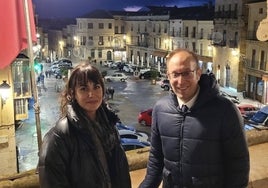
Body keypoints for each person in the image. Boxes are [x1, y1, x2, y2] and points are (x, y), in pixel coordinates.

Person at [139, 48, 250, 188]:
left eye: (186, 73)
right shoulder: (160, 109)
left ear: (198, 73)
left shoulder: (225, 111)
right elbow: (156, 159)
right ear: (168, 76)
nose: (180, 81)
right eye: (175, 74)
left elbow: (238, 166)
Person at [38, 62, 131, 188]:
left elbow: (122, 174)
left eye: (96, 87)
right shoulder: (59, 137)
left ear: (103, 90)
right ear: (72, 93)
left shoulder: (109, 126)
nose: (91, 94)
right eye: (83, 89)